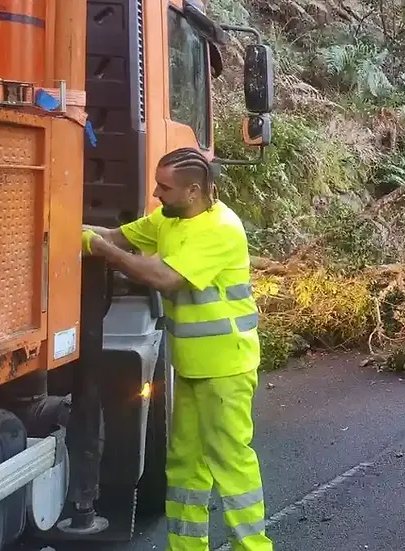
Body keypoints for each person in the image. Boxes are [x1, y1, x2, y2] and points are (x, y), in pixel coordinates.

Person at [82, 147, 273, 551]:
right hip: (190, 366)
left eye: (164, 187)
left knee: (231, 464)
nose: (155, 193)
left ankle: (252, 546)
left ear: (192, 192)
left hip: (225, 367)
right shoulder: (169, 219)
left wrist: (103, 252)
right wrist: (67, 228)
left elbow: (165, 277)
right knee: (185, 465)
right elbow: (117, 236)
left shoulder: (220, 228)